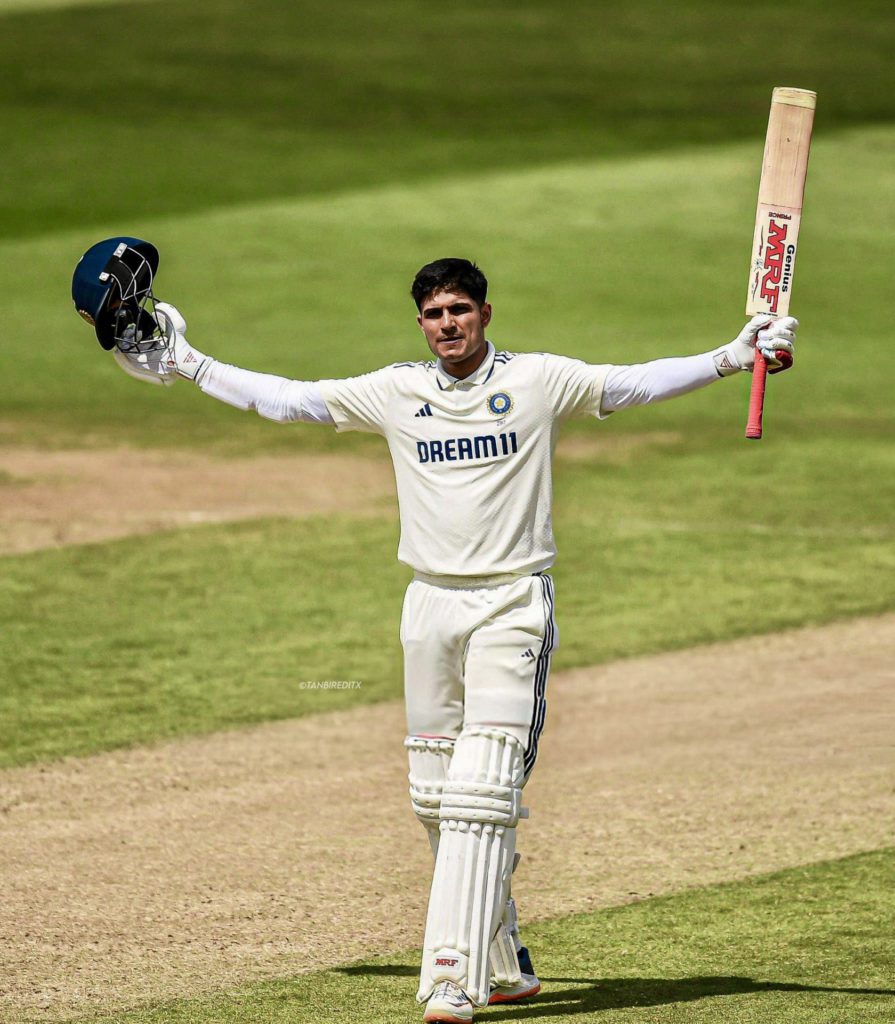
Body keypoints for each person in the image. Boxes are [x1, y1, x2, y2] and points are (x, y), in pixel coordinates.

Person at [72, 242, 796, 1023]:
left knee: (482, 791)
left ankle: (451, 977)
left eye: (458, 311)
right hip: (428, 605)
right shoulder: (395, 392)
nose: (445, 324)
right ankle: (504, 956)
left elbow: (632, 384)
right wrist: (188, 361)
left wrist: (730, 356)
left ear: (484, 314)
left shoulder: (536, 380)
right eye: (432, 314)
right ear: (420, 323)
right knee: (432, 796)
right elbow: (289, 400)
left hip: (510, 604)